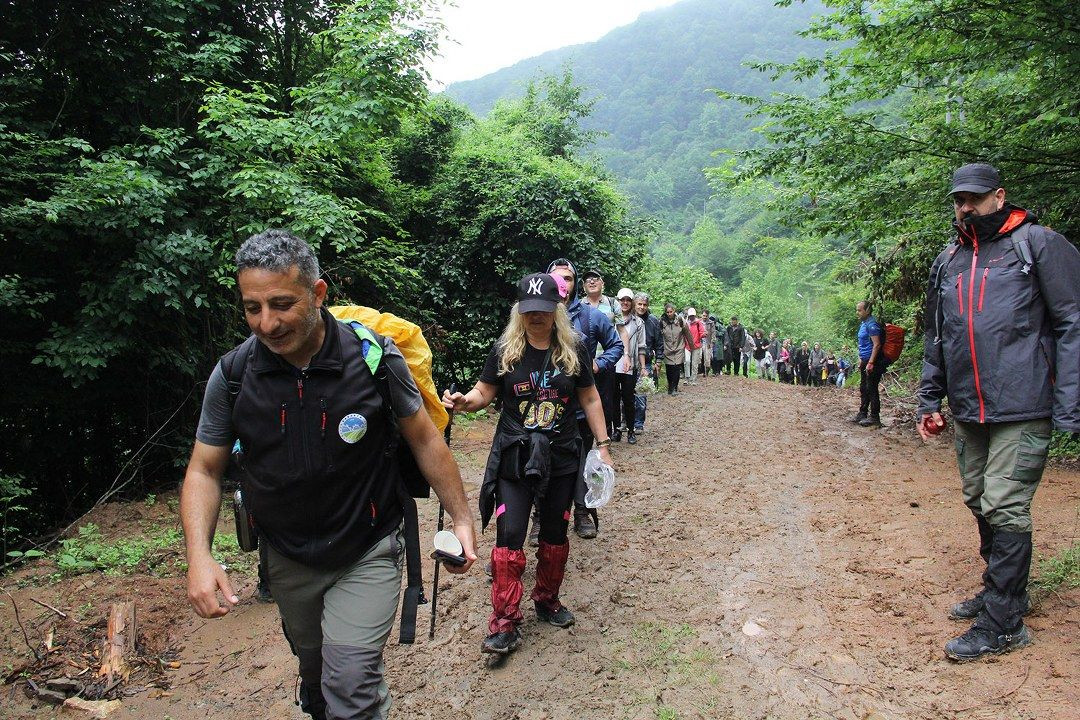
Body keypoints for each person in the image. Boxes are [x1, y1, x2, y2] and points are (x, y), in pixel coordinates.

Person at [181, 230, 477, 720]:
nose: (267, 323)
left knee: (352, 681)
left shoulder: (374, 360)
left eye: (281, 304)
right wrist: (199, 554)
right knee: (317, 681)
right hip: (288, 556)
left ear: (317, 294)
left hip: (368, 546)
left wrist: (461, 519)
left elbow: (425, 439)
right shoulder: (234, 375)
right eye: (252, 308)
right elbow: (204, 469)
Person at [917, 162, 1080, 662]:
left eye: (975, 198)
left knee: (1005, 502)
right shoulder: (949, 260)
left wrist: (1069, 406)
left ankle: (1004, 620)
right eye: (958, 200)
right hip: (969, 405)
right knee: (977, 497)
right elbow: (936, 335)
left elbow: (1073, 323)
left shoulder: (1038, 245)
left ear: (999, 196)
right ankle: (1001, 588)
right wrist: (930, 397)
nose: (966, 208)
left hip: (1024, 401)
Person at [444, 273, 614, 656]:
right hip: (515, 454)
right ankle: (504, 620)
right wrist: (463, 402)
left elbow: (589, 398)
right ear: (519, 312)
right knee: (511, 535)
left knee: (555, 533)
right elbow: (484, 392)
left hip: (562, 455)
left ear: (557, 310)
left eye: (543, 310)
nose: (536, 317)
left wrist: (602, 446)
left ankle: (547, 599)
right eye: (529, 311)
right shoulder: (506, 349)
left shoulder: (575, 350)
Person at [546, 258, 622, 540]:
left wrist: (599, 364)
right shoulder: (537, 315)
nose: (562, 284)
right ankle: (540, 518)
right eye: (556, 278)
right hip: (544, 407)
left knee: (580, 462)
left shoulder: (590, 317)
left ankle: (581, 512)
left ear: (575, 284)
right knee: (541, 462)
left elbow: (615, 344)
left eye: (568, 278)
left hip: (579, 409)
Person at [580, 269, 620, 444]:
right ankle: (587, 435)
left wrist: (625, 355)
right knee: (584, 400)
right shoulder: (578, 306)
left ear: (602, 283)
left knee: (606, 400)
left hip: (605, 362)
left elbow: (621, 331)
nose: (592, 282)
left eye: (595, 278)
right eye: (588, 280)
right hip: (583, 364)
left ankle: (605, 436)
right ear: (582, 286)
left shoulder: (612, 304)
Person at [613, 288, 646, 444]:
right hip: (611, 364)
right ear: (618, 302)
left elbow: (641, 346)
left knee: (628, 398)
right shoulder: (610, 319)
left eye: (627, 300)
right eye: (622, 300)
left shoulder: (638, 322)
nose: (625, 303)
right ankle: (616, 429)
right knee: (613, 398)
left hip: (630, 365)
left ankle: (631, 430)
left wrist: (643, 367)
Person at [633, 293, 663, 434]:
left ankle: (639, 424)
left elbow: (659, 342)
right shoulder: (627, 318)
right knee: (625, 394)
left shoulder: (653, 321)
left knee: (641, 395)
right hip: (629, 361)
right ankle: (625, 421)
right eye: (639, 304)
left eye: (644, 304)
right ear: (635, 304)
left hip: (647, 362)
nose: (642, 307)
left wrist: (659, 360)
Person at [853, 301, 885, 425]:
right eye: (857, 310)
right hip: (865, 360)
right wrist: (862, 359)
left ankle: (875, 417)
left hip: (874, 361)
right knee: (864, 387)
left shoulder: (872, 325)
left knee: (871, 388)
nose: (858, 312)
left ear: (867, 310)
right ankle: (862, 413)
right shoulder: (864, 324)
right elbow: (864, 344)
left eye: (860, 310)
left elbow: (876, 345)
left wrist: (871, 362)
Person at [660, 303, 692, 395]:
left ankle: (675, 388)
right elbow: (659, 335)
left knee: (676, 368)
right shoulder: (662, 321)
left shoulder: (680, 320)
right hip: (667, 348)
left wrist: (691, 346)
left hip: (678, 348)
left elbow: (687, 333)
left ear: (674, 311)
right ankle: (670, 386)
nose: (669, 313)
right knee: (669, 369)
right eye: (667, 312)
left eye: (671, 311)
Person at [683, 308, 706, 385]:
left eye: (693, 315)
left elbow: (702, 332)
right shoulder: (685, 323)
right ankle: (687, 378)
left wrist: (703, 334)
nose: (692, 317)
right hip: (687, 345)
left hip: (696, 345)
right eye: (690, 315)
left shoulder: (698, 323)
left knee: (694, 363)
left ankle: (693, 379)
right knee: (687, 361)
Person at [700, 309, 716, 376]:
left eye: (706, 316)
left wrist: (712, 342)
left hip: (707, 342)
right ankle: (701, 371)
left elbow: (713, 332)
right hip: (699, 342)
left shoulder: (711, 323)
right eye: (703, 315)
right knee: (700, 357)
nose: (704, 317)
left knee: (707, 358)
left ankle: (706, 371)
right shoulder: (698, 322)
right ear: (701, 315)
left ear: (708, 316)